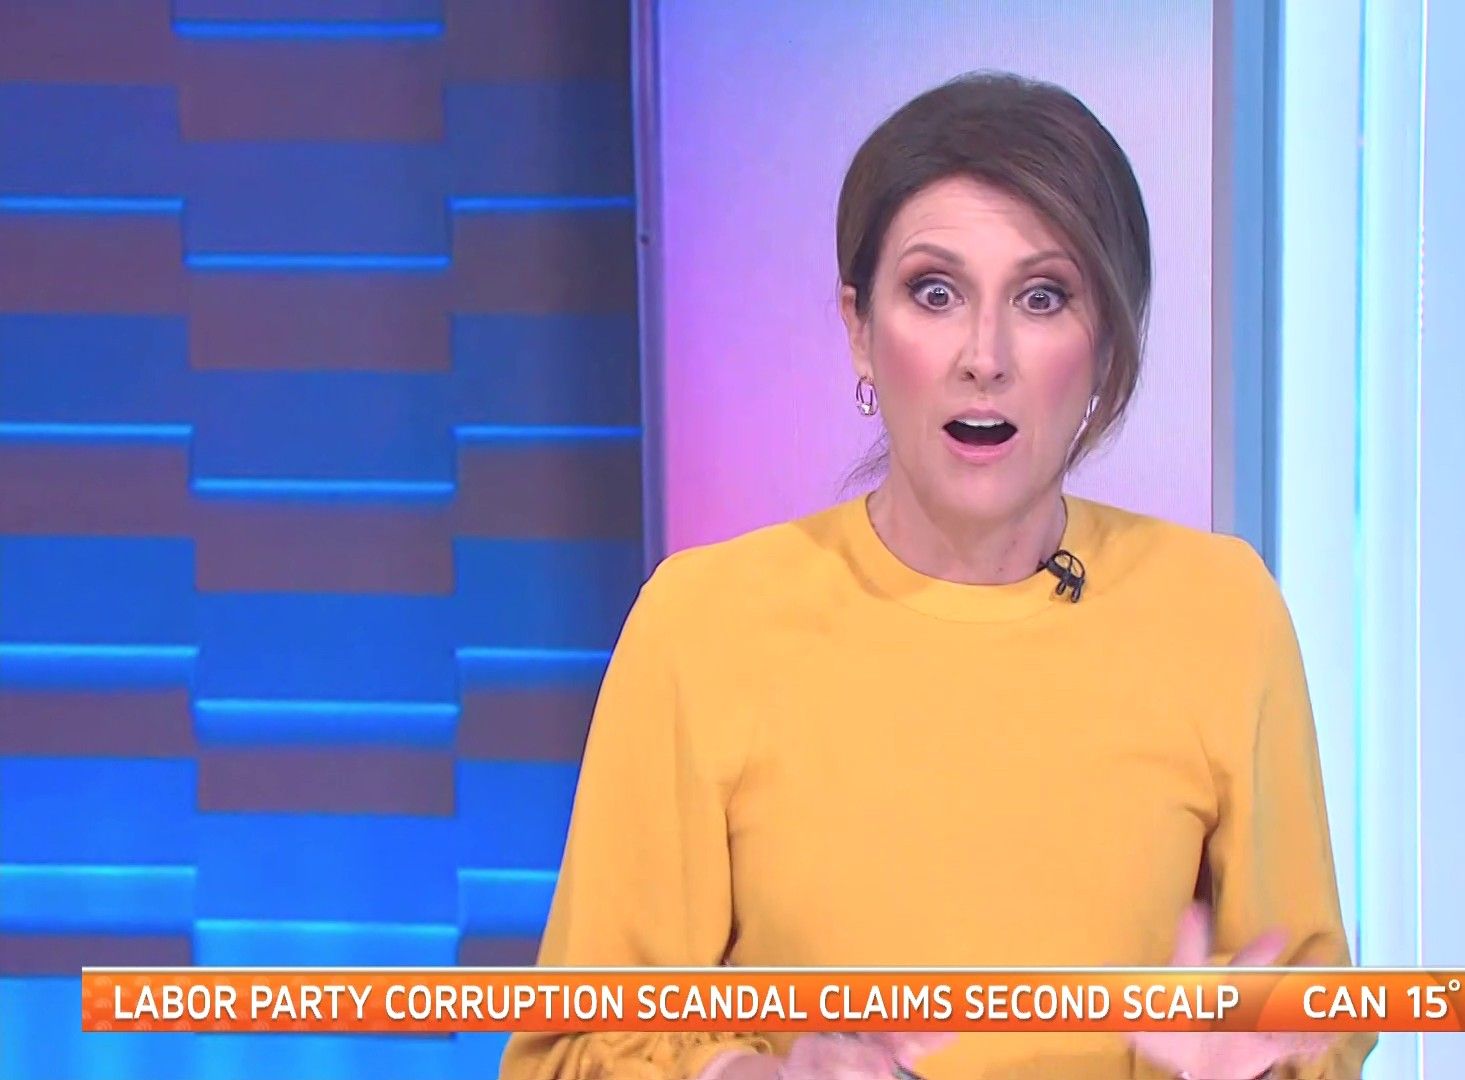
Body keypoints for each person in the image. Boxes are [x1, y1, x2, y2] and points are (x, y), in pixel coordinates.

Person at [499, 71, 1373, 1080]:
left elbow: (1317, 1025)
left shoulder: (1220, 609)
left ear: (1105, 346)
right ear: (859, 329)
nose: (983, 356)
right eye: (935, 292)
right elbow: (577, 1045)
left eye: (1042, 298)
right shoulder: (702, 625)